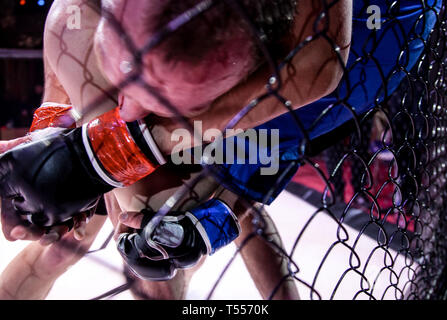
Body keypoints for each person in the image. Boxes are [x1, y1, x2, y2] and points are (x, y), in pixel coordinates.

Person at [1, 0, 351, 299]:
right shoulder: (84, 25)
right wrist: (50, 123)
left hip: (254, 104)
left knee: (159, 235)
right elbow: (68, 20)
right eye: (122, 76)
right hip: (177, 84)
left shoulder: (309, 78)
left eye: (158, 100)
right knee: (75, 246)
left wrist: (217, 216)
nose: (131, 112)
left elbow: (312, 79)